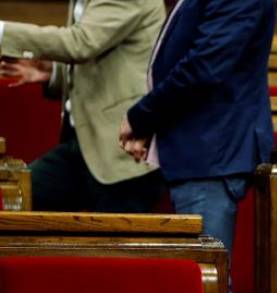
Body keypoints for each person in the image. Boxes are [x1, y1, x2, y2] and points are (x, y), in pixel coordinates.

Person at [119, 0, 275, 293]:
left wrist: (141, 117)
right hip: (203, 151)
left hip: (213, 154)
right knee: (199, 284)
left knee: (207, 288)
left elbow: (204, 68)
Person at [0, 0, 165, 212]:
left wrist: (3, 31)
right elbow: (105, 60)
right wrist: (53, 74)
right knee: (16, 203)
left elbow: (82, 42)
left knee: (113, 244)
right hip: (82, 146)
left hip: (123, 155)